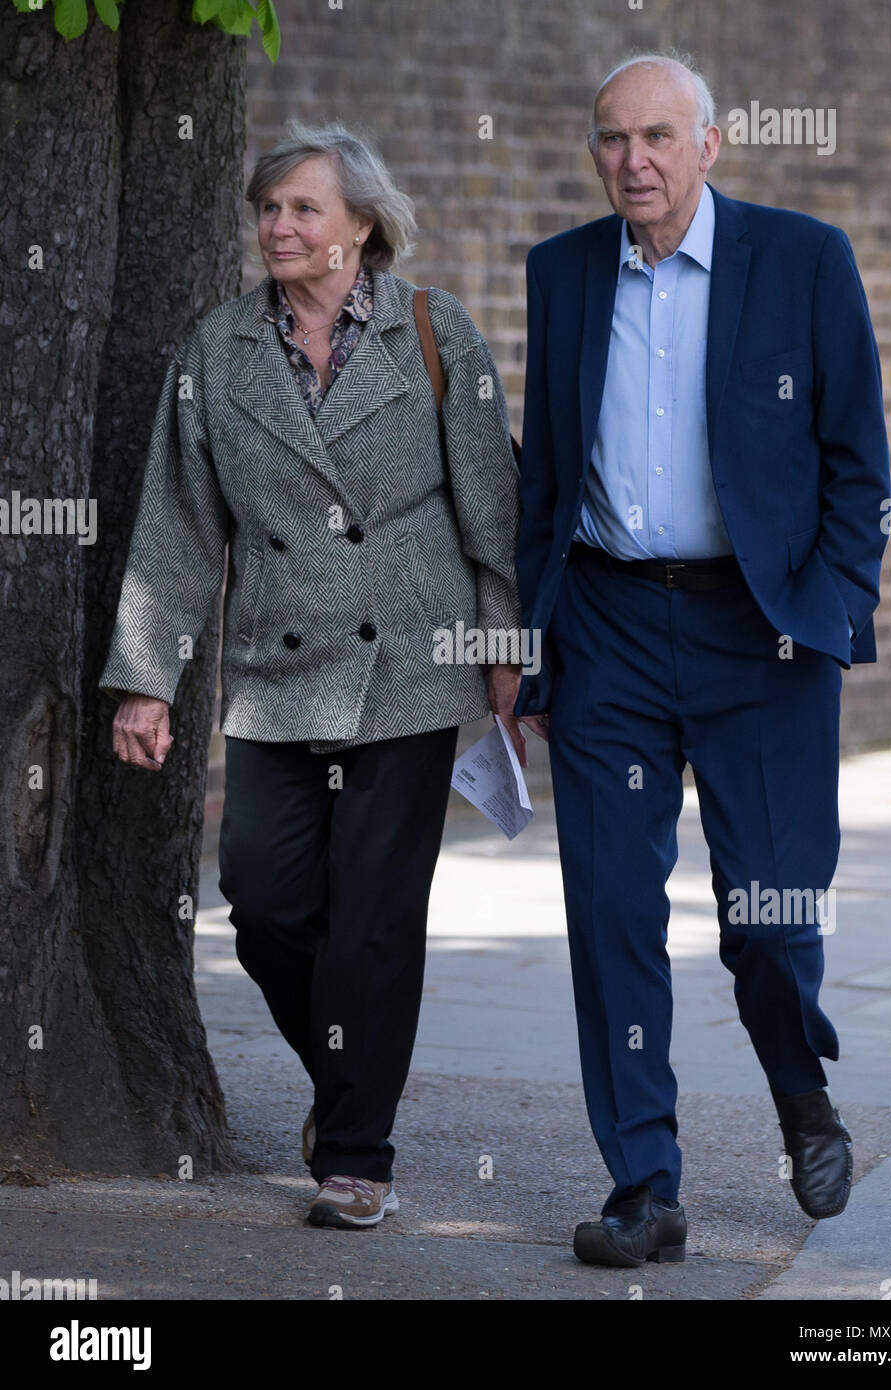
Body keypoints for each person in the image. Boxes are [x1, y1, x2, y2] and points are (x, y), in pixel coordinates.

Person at [100, 119, 523, 1230]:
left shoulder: (439, 333)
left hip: (414, 670)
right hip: (277, 671)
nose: (280, 227)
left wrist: (503, 650)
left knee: (377, 921)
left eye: (303, 209)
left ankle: (354, 1152)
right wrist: (146, 676)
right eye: (269, 209)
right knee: (264, 899)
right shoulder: (218, 350)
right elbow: (177, 527)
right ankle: (350, 1080)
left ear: (362, 225)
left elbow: (494, 507)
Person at [514, 53, 890, 1266]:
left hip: (762, 633)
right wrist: (531, 636)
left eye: (659, 137)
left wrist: (829, 609)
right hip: (611, 626)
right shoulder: (563, 273)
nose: (636, 161)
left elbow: (856, 461)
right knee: (611, 908)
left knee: (768, 915)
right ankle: (646, 1182)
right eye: (613, 139)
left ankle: (801, 1094)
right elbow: (544, 471)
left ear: (711, 144)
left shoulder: (804, 260)